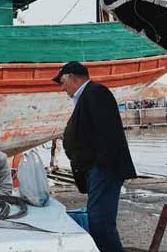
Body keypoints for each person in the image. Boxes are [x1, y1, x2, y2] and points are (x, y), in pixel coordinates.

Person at [52, 61, 136, 252]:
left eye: (62, 81)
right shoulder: (86, 96)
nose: (62, 87)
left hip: (103, 170)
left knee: (101, 225)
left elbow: (108, 134)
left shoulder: (96, 93)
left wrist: (99, 168)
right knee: (98, 222)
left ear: (73, 77)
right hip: (95, 171)